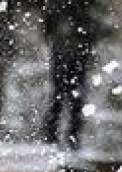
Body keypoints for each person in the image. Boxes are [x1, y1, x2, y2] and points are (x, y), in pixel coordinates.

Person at [41, 0, 108, 150]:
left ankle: (66, 138)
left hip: (75, 50)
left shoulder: (83, 8)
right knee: (63, 96)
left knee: (70, 97)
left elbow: (97, 23)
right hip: (69, 50)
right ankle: (57, 137)